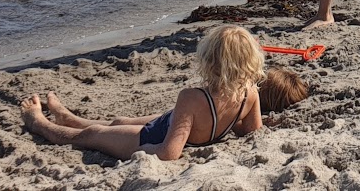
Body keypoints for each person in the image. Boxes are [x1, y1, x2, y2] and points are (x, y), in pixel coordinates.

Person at [20, 25, 283, 160]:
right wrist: (221, 125)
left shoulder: (191, 97)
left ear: (209, 62)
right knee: (118, 123)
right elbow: (251, 131)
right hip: (175, 125)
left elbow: (169, 153)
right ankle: (68, 118)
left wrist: (142, 147)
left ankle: (39, 123)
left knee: (92, 135)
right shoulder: (250, 93)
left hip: (152, 137)